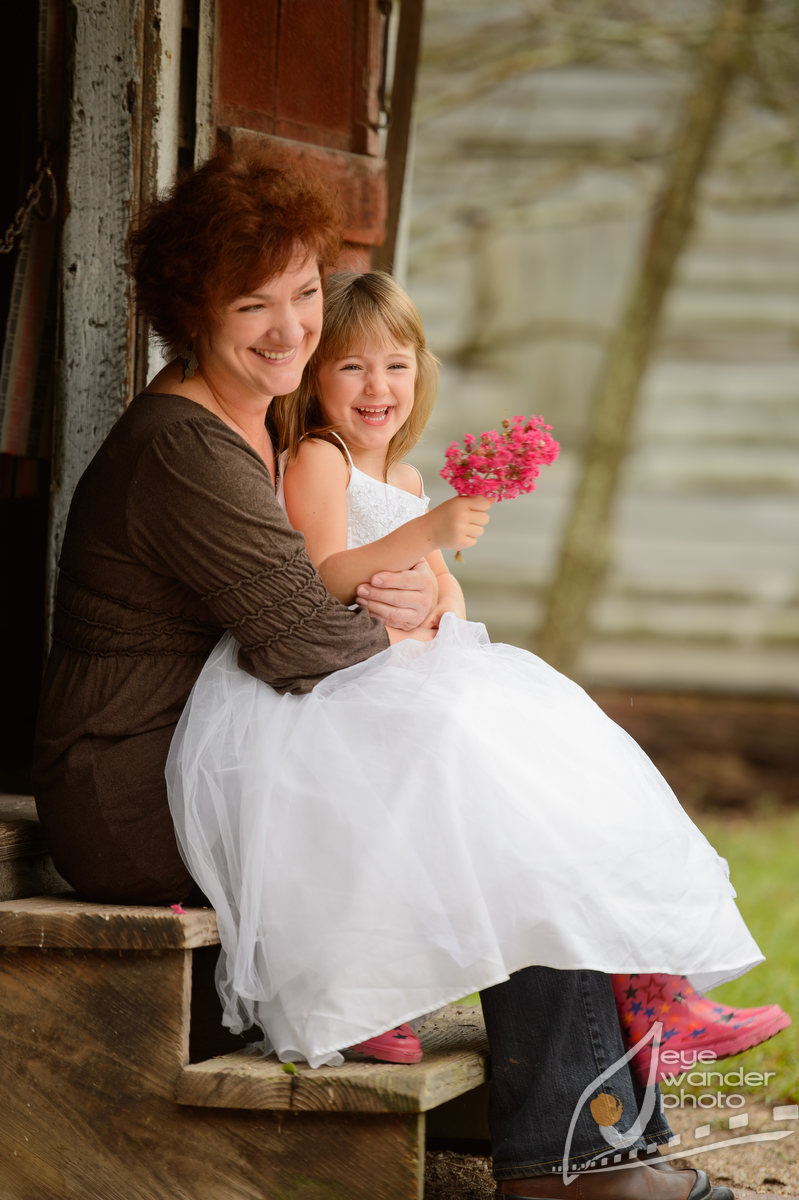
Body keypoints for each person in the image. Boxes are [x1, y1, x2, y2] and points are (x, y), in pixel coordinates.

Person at [161, 260, 766, 1196]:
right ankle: (572, 1126)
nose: (377, 389)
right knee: (508, 798)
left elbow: (444, 596)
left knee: (567, 772)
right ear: (317, 378)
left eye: (395, 367)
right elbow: (320, 574)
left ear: (420, 374)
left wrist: (432, 589)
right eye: (354, 368)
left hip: (404, 669)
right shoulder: (316, 457)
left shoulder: (402, 473)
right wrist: (421, 541)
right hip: (332, 696)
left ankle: (651, 989)